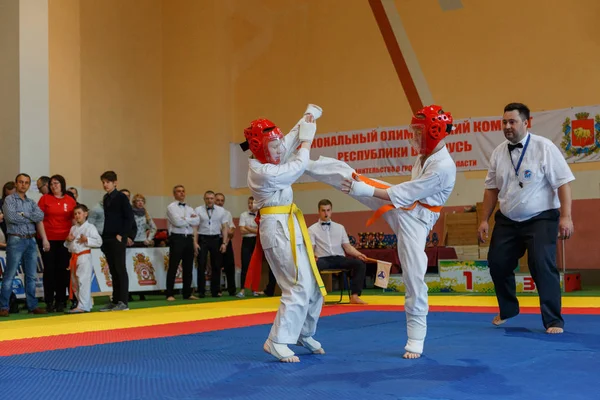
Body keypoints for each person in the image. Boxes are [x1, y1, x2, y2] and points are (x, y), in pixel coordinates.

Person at [305, 104, 456, 359]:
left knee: (414, 277)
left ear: (434, 132)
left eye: (420, 132)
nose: (415, 137)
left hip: (416, 221)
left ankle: (416, 338)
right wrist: (360, 186)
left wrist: (364, 191)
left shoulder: (443, 167)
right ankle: (304, 165)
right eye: (415, 131)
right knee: (352, 176)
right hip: (405, 208)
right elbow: (401, 195)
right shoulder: (425, 156)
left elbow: (402, 194)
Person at [477, 102, 574, 334]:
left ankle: (553, 320)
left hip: (541, 218)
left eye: (513, 121)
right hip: (508, 219)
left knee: (541, 264)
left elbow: (563, 183)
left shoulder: (544, 147)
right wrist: (483, 220)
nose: (507, 126)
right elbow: (491, 189)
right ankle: (508, 309)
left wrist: (566, 216)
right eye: (504, 122)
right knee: (497, 263)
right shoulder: (498, 152)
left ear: (526, 123)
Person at [243, 104, 325, 363]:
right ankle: (277, 340)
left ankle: (304, 332)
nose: (280, 150)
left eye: (278, 145)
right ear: (260, 148)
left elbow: (289, 138)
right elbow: (297, 166)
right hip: (276, 230)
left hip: (290, 224)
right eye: (274, 147)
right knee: (296, 286)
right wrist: (307, 141)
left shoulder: (272, 152)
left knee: (313, 286)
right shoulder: (261, 171)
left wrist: (309, 116)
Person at [0, 173, 47, 316]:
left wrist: (23, 214)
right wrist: (29, 217)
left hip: (31, 240)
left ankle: (32, 306)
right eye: (21, 182)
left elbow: (41, 216)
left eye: (26, 182)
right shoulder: (9, 200)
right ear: (16, 183)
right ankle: (4, 307)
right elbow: (11, 218)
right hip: (16, 239)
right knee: (10, 275)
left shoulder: (31, 202)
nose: (23, 185)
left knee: (31, 275)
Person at [308, 199, 368, 305]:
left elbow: (347, 247)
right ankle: (320, 297)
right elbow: (310, 248)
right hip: (323, 259)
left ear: (331, 211)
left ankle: (354, 296)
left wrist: (358, 254)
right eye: (323, 210)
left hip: (339, 258)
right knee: (312, 266)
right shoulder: (312, 229)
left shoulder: (340, 227)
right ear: (319, 211)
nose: (326, 213)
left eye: (328, 210)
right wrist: (312, 255)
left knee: (360, 264)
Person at [37, 174, 77, 313]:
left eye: (56, 183)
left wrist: (74, 237)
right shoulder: (44, 199)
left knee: (63, 271)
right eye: (51, 184)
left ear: (62, 185)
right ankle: (49, 301)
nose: (54, 186)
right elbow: (39, 220)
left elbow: (74, 220)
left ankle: (61, 300)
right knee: (49, 271)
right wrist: (44, 239)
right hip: (49, 240)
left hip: (65, 241)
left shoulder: (70, 200)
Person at [99, 171, 134, 311]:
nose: (105, 185)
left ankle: (123, 302)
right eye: (103, 182)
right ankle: (115, 300)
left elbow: (129, 218)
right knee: (113, 270)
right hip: (107, 237)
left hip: (118, 237)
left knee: (120, 269)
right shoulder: (106, 198)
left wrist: (122, 234)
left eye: (107, 182)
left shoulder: (121, 197)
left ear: (115, 183)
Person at [65, 204, 102, 313]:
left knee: (83, 281)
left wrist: (87, 239)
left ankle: (83, 306)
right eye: (75, 214)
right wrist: (68, 239)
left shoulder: (90, 227)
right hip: (74, 257)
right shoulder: (73, 228)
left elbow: (99, 242)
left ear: (86, 214)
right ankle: (86, 304)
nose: (77, 216)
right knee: (75, 283)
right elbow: (68, 245)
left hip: (84, 256)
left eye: (79, 213)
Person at [165, 185, 200, 301]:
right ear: (174, 194)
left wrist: (185, 219)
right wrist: (189, 220)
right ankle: (169, 293)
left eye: (183, 191)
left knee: (188, 267)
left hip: (188, 238)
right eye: (179, 191)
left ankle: (187, 293)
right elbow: (177, 222)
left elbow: (197, 220)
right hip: (177, 238)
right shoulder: (171, 207)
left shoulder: (189, 208)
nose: (181, 193)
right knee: (173, 266)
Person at [194, 191, 229, 298]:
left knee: (216, 265)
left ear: (214, 199)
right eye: (207, 198)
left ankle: (215, 290)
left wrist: (224, 243)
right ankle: (201, 291)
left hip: (216, 239)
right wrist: (195, 242)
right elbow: (195, 227)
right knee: (201, 264)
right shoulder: (198, 210)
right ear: (204, 199)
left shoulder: (221, 210)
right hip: (202, 238)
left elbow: (224, 227)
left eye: (211, 198)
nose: (210, 200)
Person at [237, 196, 259, 298]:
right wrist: (254, 229)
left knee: (256, 267)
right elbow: (241, 230)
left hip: (256, 242)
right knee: (245, 266)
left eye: (252, 203)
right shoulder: (243, 215)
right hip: (246, 241)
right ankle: (242, 290)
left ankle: (255, 289)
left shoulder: (260, 215)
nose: (250, 205)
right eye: (249, 203)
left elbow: (260, 231)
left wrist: (248, 228)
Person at [215, 193, 237, 296]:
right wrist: (225, 230)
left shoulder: (227, 213)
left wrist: (229, 233)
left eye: (221, 200)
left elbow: (232, 228)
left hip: (227, 240)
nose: (220, 202)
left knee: (230, 265)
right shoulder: (211, 213)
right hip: (215, 240)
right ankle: (217, 290)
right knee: (216, 266)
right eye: (218, 200)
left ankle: (232, 290)